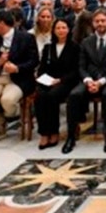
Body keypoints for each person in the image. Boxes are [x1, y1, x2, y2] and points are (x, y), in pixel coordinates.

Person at [64, 9, 106, 154]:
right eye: (97, 21)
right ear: (93, 23)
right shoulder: (86, 42)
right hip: (89, 79)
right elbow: (81, 65)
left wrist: (101, 82)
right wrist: (88, 80)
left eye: (103, 20)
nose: (100, 24)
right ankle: (71, 137)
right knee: (74, 95)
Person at [0, 10, 39, 138]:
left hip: (19, 78)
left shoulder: (26, 37)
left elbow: (34, 61)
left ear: (2, 24)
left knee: (8, 100)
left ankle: (15, 116)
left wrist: (17, 68)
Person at [36, 18, 79, 149]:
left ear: (69, 30)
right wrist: (44, 79)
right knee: (40, 96)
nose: (61, 30)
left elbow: (76, 70)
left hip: (66, 82)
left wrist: (60, 80)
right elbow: (42, 68)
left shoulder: (75, 47)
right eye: (58, 28)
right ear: (53, 30)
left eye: (63, 28)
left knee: (52, 96)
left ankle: (54, 131)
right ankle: (44, 133)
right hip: (48, 81)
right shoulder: (48, 48)